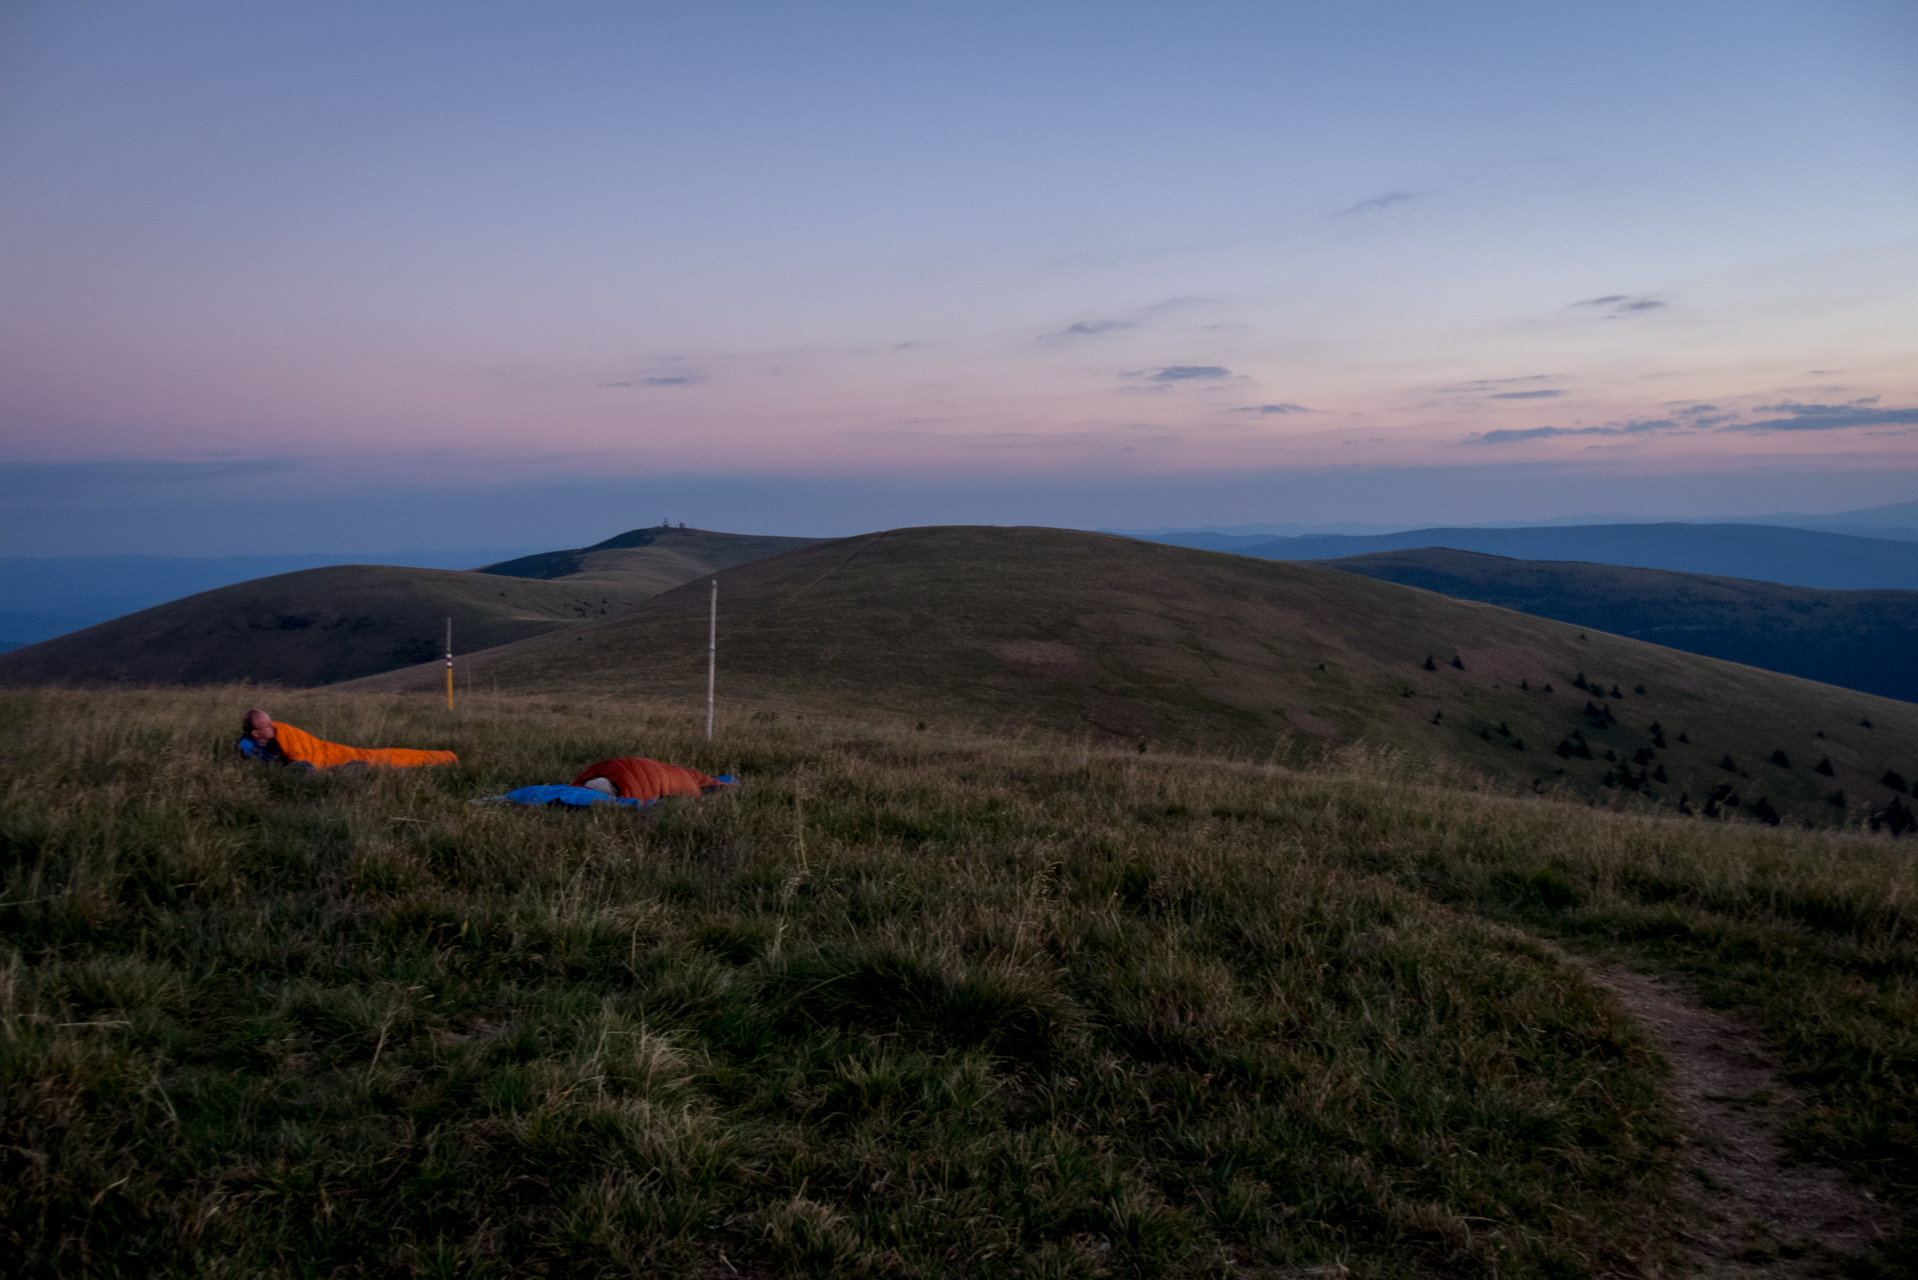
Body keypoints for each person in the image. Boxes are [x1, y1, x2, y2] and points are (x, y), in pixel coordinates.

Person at [234, 709, 458, 770]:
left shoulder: (280, 733)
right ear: (255, 733)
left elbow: (307, 746)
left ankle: (442, 758)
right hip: (298, 766)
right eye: (267, 725)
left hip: (326, 753)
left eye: (272, 722)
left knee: (373, 757)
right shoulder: (247, 747)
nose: (274, 727)